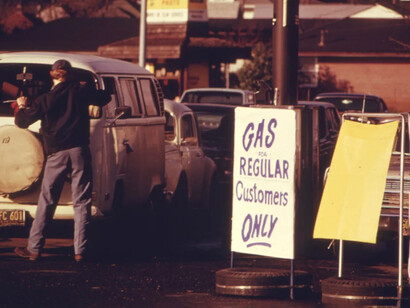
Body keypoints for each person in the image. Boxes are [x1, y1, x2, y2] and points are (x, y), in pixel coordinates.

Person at [13, 59, 110, 262]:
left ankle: (34, 249)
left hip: (56, 153)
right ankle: (80, 251)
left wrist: (21, 107)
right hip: (79, 150)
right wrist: (87, 86)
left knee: (47, 200)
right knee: (82, 201)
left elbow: (22, 122)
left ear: (52, 74)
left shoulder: (45, 99)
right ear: (70, 74)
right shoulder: (81, 92)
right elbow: (105, 97)